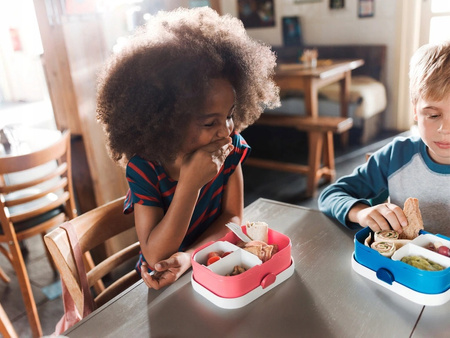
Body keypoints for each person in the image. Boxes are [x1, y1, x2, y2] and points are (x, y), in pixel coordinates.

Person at [96, 7, 279, 289]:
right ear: (166, 123)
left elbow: (233, 217)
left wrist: (191, 257)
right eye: (209, 123)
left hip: (211, 263)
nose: (226, 130)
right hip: (165, 280)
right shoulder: (145, 169)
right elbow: (156, 254)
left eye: (229, 115)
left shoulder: (230, 149)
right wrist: (190, 184)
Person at [318, 40, 450, 237]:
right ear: (415, 111)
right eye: (433, 115)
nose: (445, 129)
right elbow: (330, 196)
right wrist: (361, 213)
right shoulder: (397, 156)